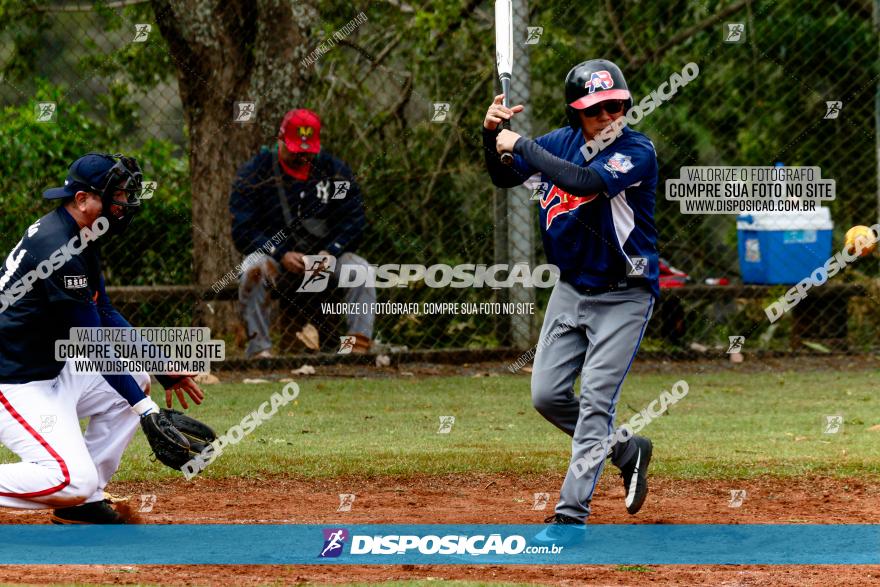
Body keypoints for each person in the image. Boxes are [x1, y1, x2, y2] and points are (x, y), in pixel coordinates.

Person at [483, 59, 659, 535]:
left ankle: (569, 516)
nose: (607, 118)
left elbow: (585, 181)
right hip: (570, 289)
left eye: (615, 107)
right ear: (575, 113)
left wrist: (519, 144)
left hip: (625, 294)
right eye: (595, 110)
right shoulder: (557, 144)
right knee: (546, 395)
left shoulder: (636, 151)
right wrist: (492, 135)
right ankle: (626, 450)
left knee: (597, 403)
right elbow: (504, 175)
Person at [0, 153, 205, 524]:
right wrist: (147, 411)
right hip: (14, 383)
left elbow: (105, 314)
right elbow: (93, 343)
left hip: (48, 370)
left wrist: (159, 366)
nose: (124, 202)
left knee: (136, 381)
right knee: (69, 478)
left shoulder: (81, 233)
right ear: (82, 200)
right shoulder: (58, 249)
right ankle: (78, 490)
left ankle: (82, 503)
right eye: (116, 194)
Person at [229, 108, 376, 357]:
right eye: (295, 150)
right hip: (276, 259)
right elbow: (243, 229)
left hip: (326, 258)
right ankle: (260, 352)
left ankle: (355, 352)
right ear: (280, 139)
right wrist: (281, 252)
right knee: (252, 270)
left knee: (361, 272)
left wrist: (330, 252)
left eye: (307, 151)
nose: (301, 156)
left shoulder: (335, 172)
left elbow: (353, 220)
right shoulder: (255, 173)